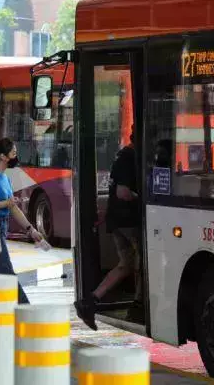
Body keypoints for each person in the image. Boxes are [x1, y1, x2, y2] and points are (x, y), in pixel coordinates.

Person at [75, 131, 142, 330]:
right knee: (145, 262)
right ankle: (138, 307)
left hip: (116, 221)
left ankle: (91, 300)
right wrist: (143, 199)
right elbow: (122, 192)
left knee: (126, 263)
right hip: (128, 221)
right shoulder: (129, 158)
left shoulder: (121, 156)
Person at [0, 138, 43, 304]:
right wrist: (4, 203)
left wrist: (30, 229)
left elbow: (13, 208)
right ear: (3, 157)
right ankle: (24, 310)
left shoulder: (5, 178)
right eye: (13, 153)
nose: (15, 156)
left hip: (1, 228)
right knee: (5, 272)